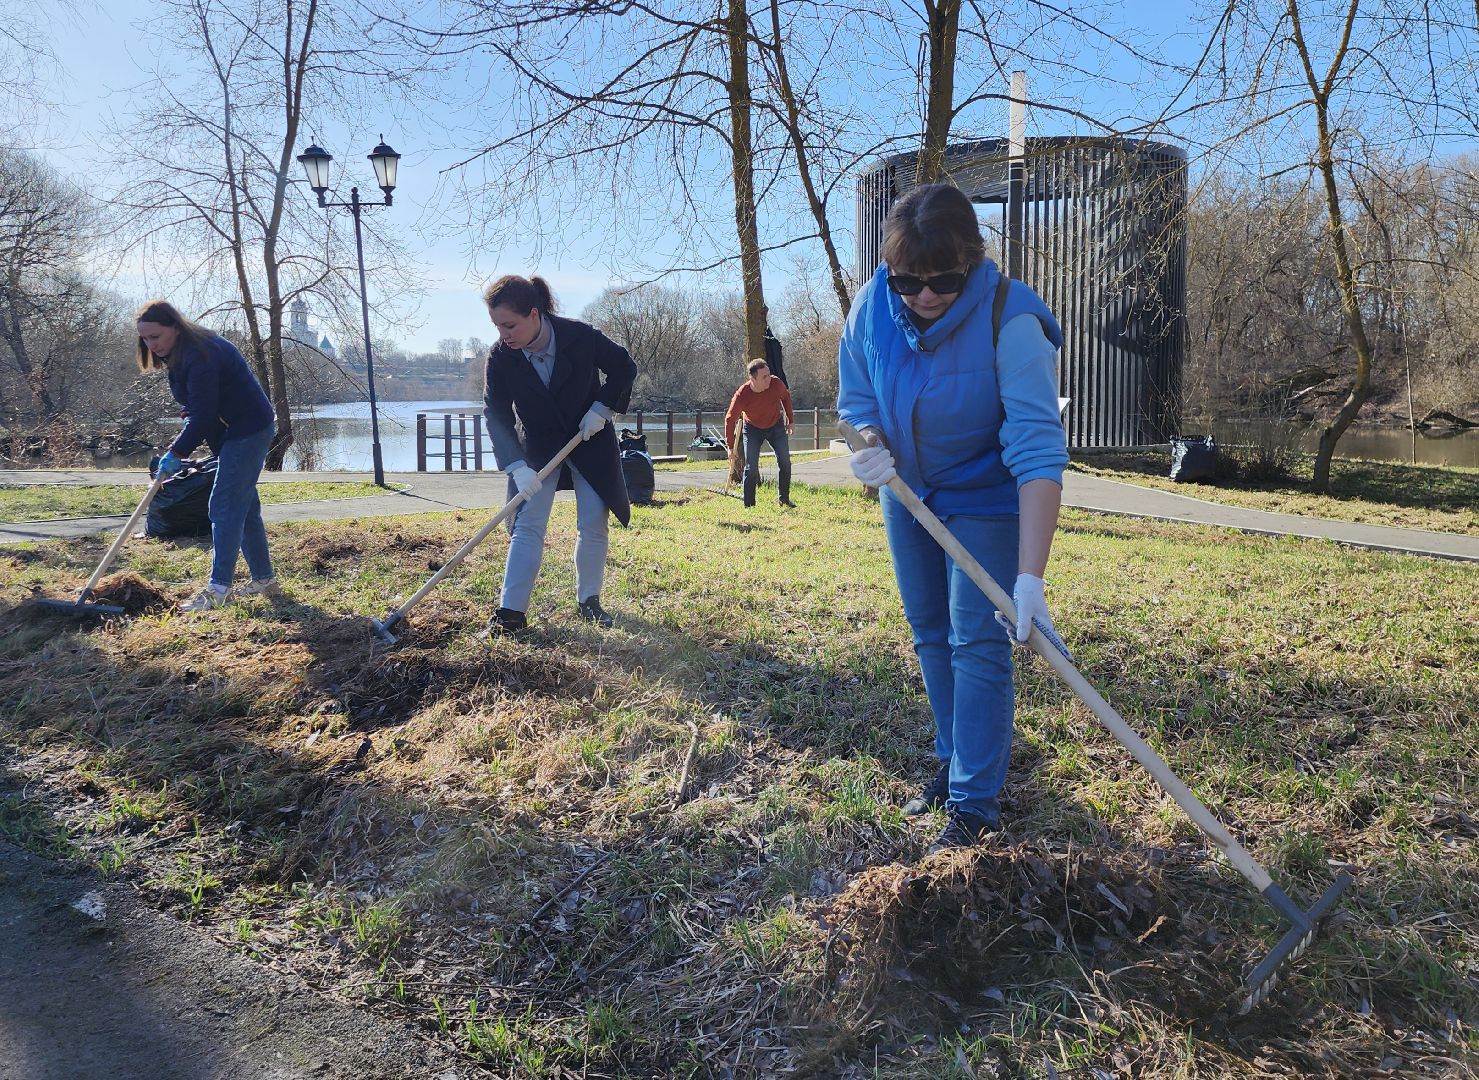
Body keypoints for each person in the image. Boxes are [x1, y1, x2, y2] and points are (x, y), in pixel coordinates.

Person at [836, 183, 1068, 852]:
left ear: (971, 259)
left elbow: (1035, 447)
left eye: (942, 280)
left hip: (985, 495)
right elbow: (855, 397)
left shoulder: (1010, 321)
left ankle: (973, 808)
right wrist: (869, 445)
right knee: (929, 631)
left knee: (977, 642)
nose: (924, 296)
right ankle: (951, 761)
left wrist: (1030, 578)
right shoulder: (871, 307)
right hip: (905, 493)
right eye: (908, 281)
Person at [481, 274, 637, 632]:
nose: (504, 334)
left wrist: (602, 407)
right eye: (497, 326)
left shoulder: (581, 337)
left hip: (590, 438)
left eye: (509, 325)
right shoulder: (502, 357)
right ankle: (511, 613)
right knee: (527, 524)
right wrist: (515, 465)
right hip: (536, 445)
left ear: (534, 314)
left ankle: (589, 600)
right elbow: (496, 412)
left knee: (593, 521)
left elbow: (624, 368)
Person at [135, 300, 278, 613]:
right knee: (244, 505)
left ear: (175, 327)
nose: (151, 344)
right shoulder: (178, 354)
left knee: (224, 504)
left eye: (155, 336)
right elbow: (198, 409)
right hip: (229, 433)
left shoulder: (203, 353)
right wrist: (189, 418)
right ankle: (264, 580)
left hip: (249, 429)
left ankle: (219, 588)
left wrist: (175, 454)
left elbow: (203, 416)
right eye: (145, 339)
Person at [724, 358, 796, 508]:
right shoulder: (742, 394)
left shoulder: (776, 384)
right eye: (764, 377)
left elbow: (786, 397)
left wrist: (790, 420)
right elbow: (730, 420)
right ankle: (749, 505)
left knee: (785, 462)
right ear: (752, 379)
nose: (768, 379)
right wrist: (730, 447)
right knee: (750, 468)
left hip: (775, 426)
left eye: (769, 374)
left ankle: (784, 500)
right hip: (752, 429)